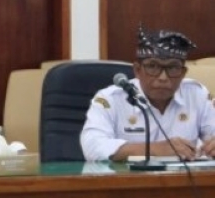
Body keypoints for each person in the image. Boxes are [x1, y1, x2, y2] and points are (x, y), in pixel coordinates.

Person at [81, 26, 215, 162]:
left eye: (173, 68)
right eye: (153, 66)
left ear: (183, 73)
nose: (163, 77)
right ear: (137, 70)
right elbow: (92, 147)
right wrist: (155, 149)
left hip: (185, 175)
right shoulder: (111, 99)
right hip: (127, 175)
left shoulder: (197, 95)